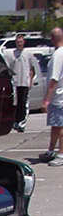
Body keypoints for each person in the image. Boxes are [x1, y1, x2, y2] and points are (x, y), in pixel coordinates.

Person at [6, 34, 38, 132]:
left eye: (21, 42)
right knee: (15, 103)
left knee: (23, 103)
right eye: (17, 42)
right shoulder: (11, 54)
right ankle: (15, 121)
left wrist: (30, 81)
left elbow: (32, 69)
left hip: (24, 82)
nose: (19, 43)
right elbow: (9, 69)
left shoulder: (28, 54)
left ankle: (22, 123)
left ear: (24, 42)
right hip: (15, 82)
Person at [41, 27, 63, 166]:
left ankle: (61, 154)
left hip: (58, 97)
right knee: (55, 126)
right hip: (58, 97)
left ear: (53, 38)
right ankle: (51, 150)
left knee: (60, 127)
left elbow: (54, 79)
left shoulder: (58, 55)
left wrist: (46, 100)